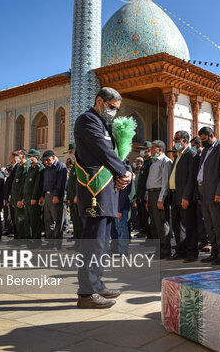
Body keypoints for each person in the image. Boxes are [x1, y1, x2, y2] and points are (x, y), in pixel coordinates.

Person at [74, 87, 131, 309]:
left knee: (102, 242)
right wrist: (123, 172)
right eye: (111, 107)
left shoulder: (103, 124)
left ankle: (96, 285)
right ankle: (86, 293)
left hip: (106, 190)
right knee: (92, 242)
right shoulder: (87, 120)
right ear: (99, 101)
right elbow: (102, 150)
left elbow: (115, 153)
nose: (113, 113)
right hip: (93, 190)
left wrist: (124, 170)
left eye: (116, 109)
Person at [197, 126, 220, 265]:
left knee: (219, 225)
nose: (202, 143)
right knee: (209, 225)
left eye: (204, 139)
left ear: (211, 136)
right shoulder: (205, 151)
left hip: (215, 193)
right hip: (204, 192)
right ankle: (215, 252)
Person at [168, 130, 200, 262]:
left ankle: (192, 252)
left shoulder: (192, 155)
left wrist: (186, 197)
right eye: (174, 139)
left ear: (185, 141)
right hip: (175, 195)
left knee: (189, 226)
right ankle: (181, 250)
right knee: (177, 225)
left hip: (185, 197)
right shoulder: (178, 156)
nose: (174, 142)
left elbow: (191, 178)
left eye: (177, 139)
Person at [146, 140, 173, 259]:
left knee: (161, 223)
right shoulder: (153, 162)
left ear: (159, 149)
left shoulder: (165, 161)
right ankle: (158, 249)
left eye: (153, 148)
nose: (150, 151)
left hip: (159, 194)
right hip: (152, 194)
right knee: (154, 225)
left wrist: (161, 199)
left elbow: (165, 182)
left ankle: (165, 250)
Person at [40, 150, 67, 248]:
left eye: (48, 159)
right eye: (44, 160)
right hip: (47, 196)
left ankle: (57, 243)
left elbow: (61, 183)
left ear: (54, 157)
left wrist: (56, 196)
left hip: (55, 196)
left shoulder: (61, 166)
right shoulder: (47, 169)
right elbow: (44, 183)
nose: (46, 162)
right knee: (48, 220)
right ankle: (50, 242)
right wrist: (42, 196)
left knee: (57, 221)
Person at [23, 149, 44, 245]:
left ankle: (36, 241)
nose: (28, 158)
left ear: (36, 157)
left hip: (33, 199)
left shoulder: (39, 168)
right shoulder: (31, 168)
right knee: (28, 220)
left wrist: (34, 197)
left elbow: (38, 185)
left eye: (30, 156)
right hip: (27, 198)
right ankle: (29, 239)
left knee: (35, 221)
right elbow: (27, 184)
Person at [134, 142, 153, 238]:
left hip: (146, 194)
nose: (142, 151)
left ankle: (150, 236)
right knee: (143, 216)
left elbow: (149, 179)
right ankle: (146, 234)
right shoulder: (145, 162)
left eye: (144, 149)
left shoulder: (150, 162)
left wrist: (146, 193)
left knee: (147, 217)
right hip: (140, 194)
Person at [11, 150, 30, 243]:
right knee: (17, 221)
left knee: (22, 220)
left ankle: (22, 239)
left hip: (21, 200)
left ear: (23, 156)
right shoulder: (20, 167)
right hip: (16, 199)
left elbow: (24, 185)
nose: (16, 158)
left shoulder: (26, 167)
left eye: (17, 156)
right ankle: (19, 238)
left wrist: (21, 199)